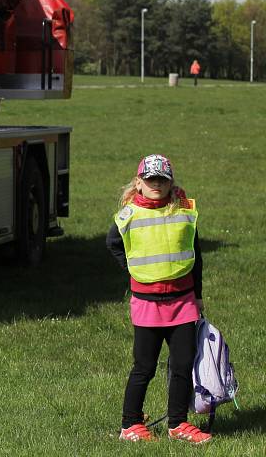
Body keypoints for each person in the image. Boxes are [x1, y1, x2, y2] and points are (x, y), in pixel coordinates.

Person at [107, 154, 212, 444]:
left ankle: (178, 423)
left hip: (183, 302)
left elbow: (196, 255)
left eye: (162, 180)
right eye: (150, 179)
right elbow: (113, 244)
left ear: (170, 183)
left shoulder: (184, 212)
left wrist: (198, 295)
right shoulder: (129, 215)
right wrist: (133, 271)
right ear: (138, 183)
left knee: (182, 365)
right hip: (147, 304)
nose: (156, 184)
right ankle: (130, 424)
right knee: (144, 367)